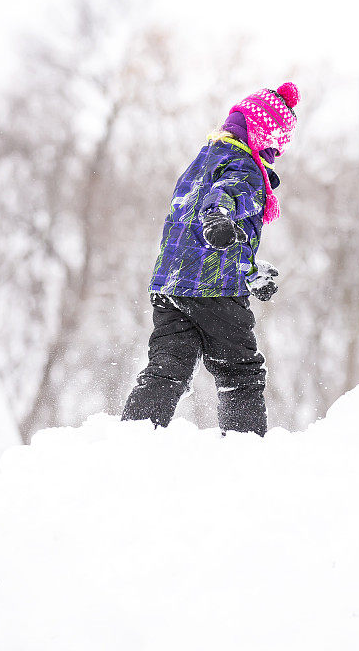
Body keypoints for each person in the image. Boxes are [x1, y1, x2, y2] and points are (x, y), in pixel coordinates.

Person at [121, 82, 300, 436]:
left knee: (168, 366)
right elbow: (223, 199)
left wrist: (248, 271)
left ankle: (131, 439)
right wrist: (217, 216)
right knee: (240, 372)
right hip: (214, 290)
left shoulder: (201, 161)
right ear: (262, 132)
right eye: (275, 144)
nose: (274, 154)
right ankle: (245, 448)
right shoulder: (245, 167)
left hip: (171, 284)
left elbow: (194, 238)